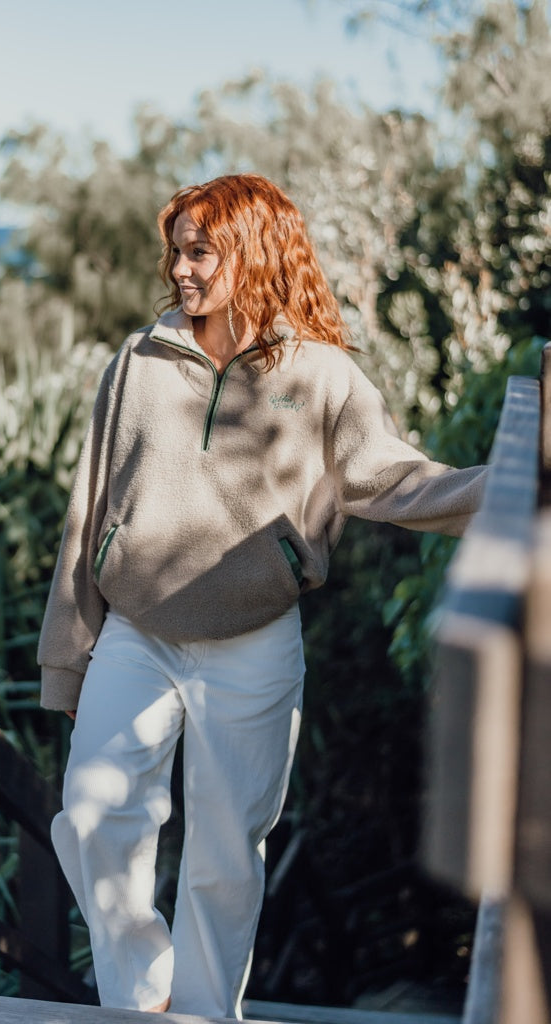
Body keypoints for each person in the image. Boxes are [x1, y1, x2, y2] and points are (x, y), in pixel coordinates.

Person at [37, 173, 487, 1019]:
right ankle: (142, 999)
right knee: (93, 816)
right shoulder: (136, 362)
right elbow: (87, 510)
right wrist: (68, 659)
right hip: (135, 633)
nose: (180, 267)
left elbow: (389, 479)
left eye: (199, 249)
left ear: (254, 251)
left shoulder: (320, 374)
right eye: (176, 249)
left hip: (254, 642)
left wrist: (504, 490)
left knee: (224, 855)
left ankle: (205, 1014)